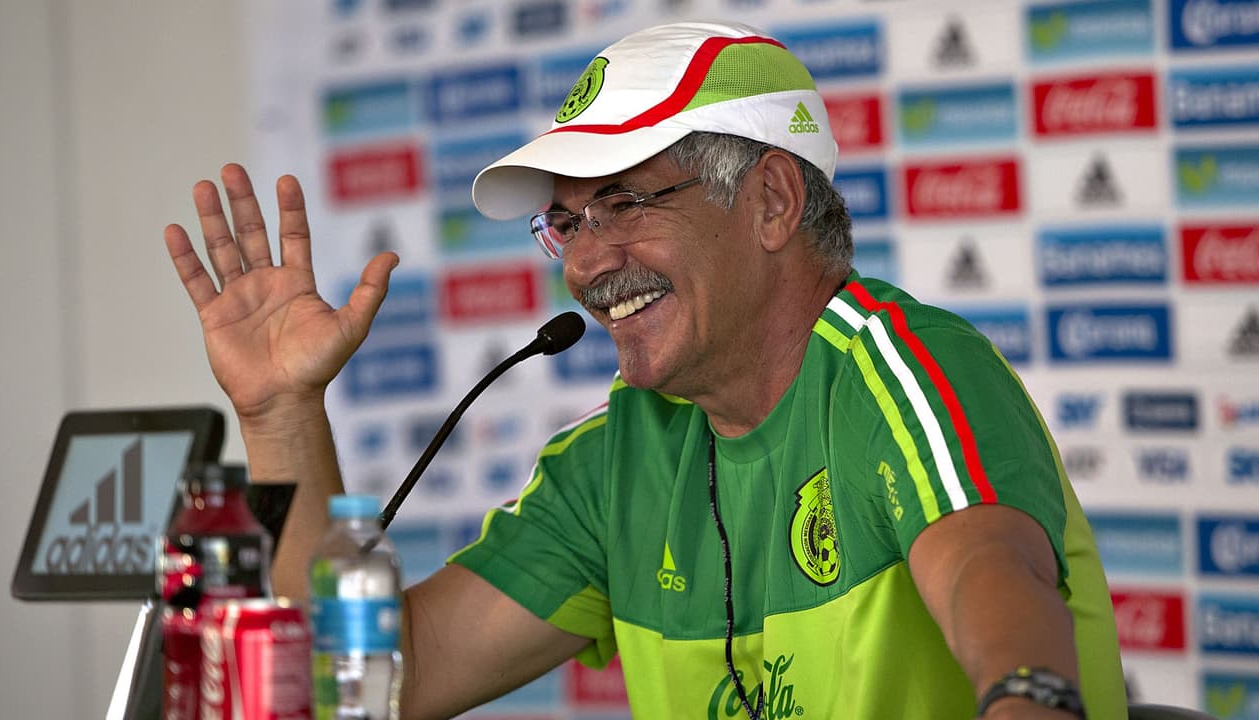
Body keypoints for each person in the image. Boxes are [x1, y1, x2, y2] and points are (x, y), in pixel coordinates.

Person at [164, 20, 1127, 720]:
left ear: (772, 202)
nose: (587, 263)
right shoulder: (617, 460)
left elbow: (995, 589)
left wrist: (1027, 695)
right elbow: (373, 686)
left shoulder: (905, 370)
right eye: (567, 223)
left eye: (624, 204)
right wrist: (281, 412)